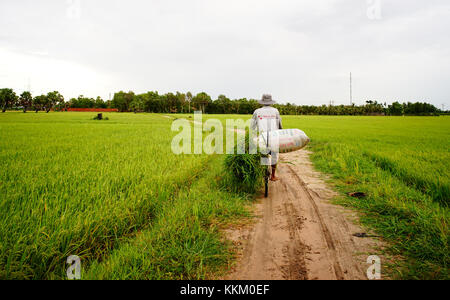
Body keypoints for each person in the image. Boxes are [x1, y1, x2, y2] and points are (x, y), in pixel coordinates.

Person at [251, 94, 283, 181]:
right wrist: (281, 133)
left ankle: (263, 173)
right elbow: (280, 125)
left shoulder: (257, 111)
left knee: (263, 155)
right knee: (274, 156)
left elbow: (252, 127)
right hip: (274, 138)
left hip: (262, 138)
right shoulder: (276, 111)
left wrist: (253, 137)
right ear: (271, 102)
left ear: (262, 102)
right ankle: (273, 176)